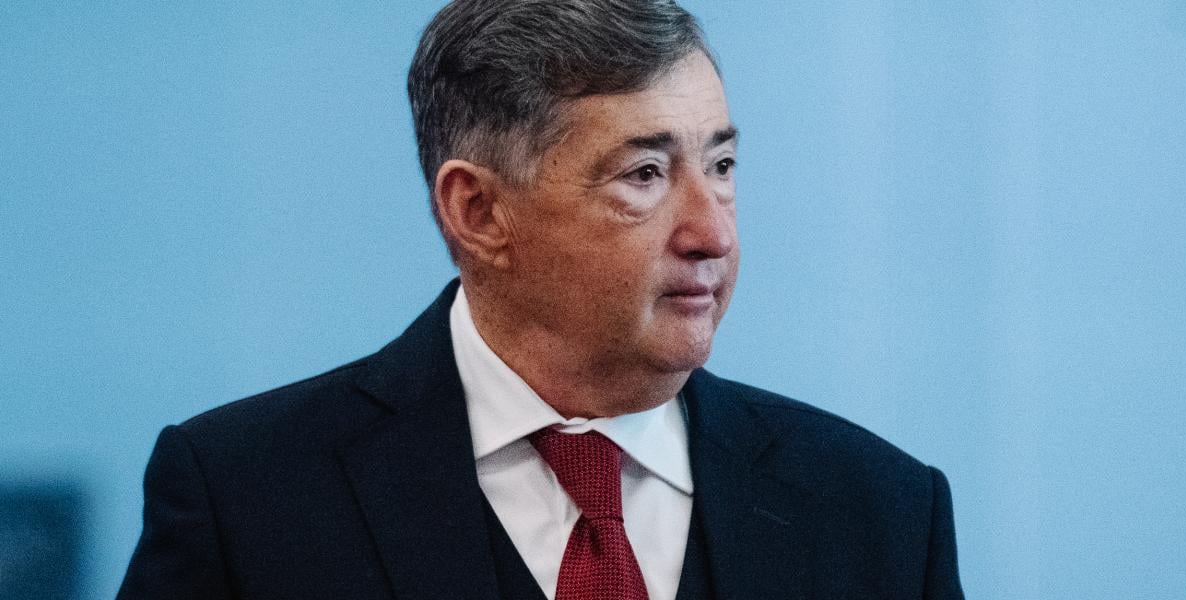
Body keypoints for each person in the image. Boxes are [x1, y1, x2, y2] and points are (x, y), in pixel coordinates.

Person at [118, 1, 965, 598]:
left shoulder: (880, 512)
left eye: (722, 166)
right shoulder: (246, 499)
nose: (712, 233)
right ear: (479, 211)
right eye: (644, 174)